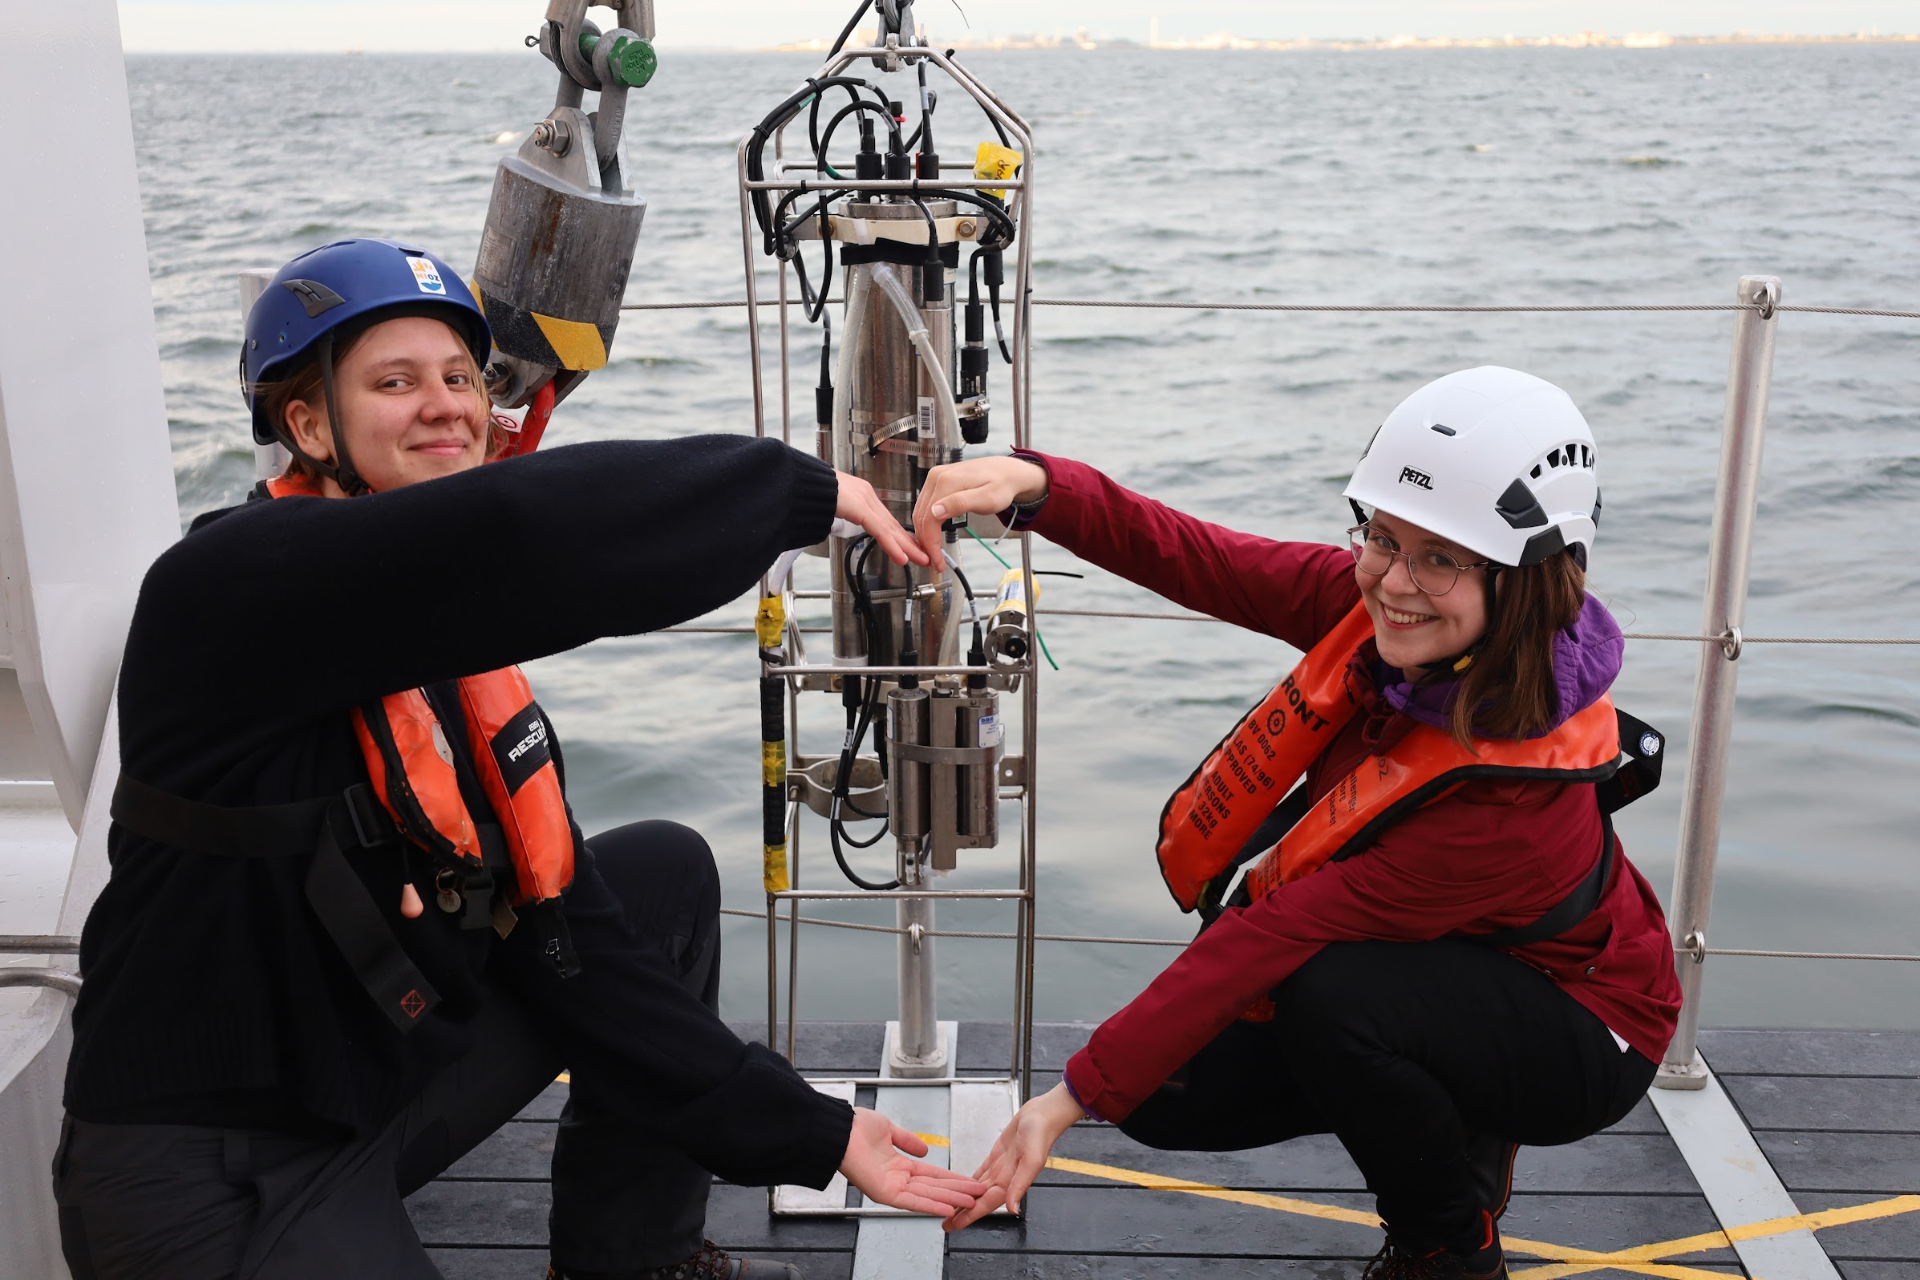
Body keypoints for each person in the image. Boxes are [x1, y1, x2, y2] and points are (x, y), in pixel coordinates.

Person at [53, 238, 984, 1280]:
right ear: (308, 423)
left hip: (377, 1083)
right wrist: (788, 491)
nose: (446, 404)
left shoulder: (432, 641)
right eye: (394, 381)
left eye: (464, 378)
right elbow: (522, 530)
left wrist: (810, 1129)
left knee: (656, 880)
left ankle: (632, 1259)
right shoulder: (225, 588)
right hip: (212, 1167)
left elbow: (566, 937)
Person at [917, 367, 1682, 1279]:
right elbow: (1206, 558)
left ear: (1524, 580)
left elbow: (1280, 929)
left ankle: (1448, 1242)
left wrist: (1067, 1098)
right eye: (1382, 539)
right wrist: (1044, 490)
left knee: (1332, 1001)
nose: (1395, 583)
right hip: (1456, 961)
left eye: (1440, 558)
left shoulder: (1504, 814)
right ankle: (1441, 1100)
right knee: (1167, 1095)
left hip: (1586, 1027)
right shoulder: (1385, 610)